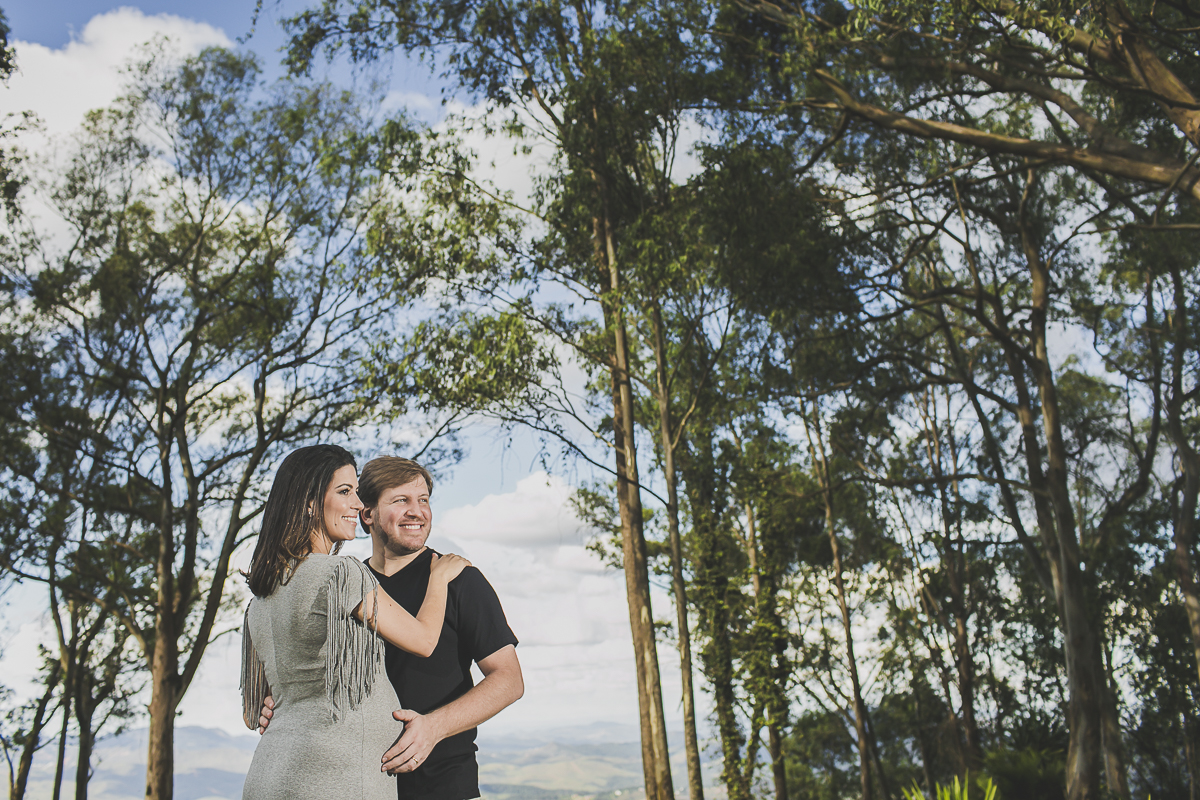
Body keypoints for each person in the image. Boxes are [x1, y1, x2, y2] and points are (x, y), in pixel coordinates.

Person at [258, 456, 523, 800]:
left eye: (423, 500)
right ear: (367, 514)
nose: (417, 512)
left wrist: (434, 727)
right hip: (357, 785)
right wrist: (282, 702)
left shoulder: (459, 579)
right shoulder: (344, 584)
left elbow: (509, 680)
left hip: (442, 785)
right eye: (401, 500)